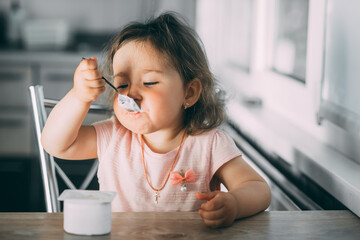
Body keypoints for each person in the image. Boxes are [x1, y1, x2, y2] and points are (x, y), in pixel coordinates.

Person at [41, 12, 270, 228]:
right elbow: (55, 144)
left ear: (189, 93)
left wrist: (235, 204)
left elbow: (258, 189)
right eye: (122, 85)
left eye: (149, 82)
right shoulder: (113, 136)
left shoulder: (210, 144)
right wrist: (79, 97)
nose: (131, 94)